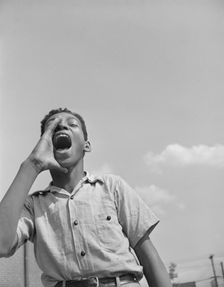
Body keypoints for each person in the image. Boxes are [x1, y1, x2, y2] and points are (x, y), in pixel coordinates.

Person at [0, 108, 171, 287]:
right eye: (53, 128)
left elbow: (149, 256)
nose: (62, 127)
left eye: (72, 125)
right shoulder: (33, 206)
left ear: (86, 145)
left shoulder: (112, 187)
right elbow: (2, 245)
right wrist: (32, 165)